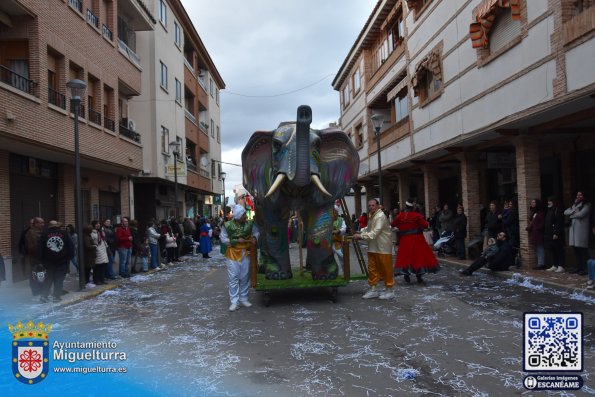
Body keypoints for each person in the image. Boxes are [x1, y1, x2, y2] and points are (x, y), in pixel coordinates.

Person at [352, 199, 395, 299]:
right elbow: (369, 229)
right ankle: (373, 289)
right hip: (373, 246)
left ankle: (389, 290)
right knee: (372, 268)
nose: (371, 207)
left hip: (382, 247)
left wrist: (361, 236)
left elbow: (375, 233)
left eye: (373, 205)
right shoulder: (372, 215)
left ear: (377, 206)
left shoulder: (380, 216)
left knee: (385, 268)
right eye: (369, 205)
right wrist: (361, 232)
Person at [220, 204, 259, 311]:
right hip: (232, 254)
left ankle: (244, 298)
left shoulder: (250, 224)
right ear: (238, 216)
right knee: (233, 278)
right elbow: (223, 238)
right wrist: (235, 241)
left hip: (245, 253)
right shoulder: (227, 225)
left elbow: (256, 232)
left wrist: (255, 238)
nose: (245, 216)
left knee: (245, 277)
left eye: (245, 214)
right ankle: (234, 301)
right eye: (243, 215)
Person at [393, 199, 440, 284]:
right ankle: (419, 277)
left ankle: (406, 274)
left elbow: (392, 224)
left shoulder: (400, 215)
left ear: (406, 206)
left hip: (404, 239)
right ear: (413, 207)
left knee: (405, 257)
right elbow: (425, 225)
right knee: (418, 257)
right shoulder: (417, 215)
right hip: (417, 239)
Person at [38, 220, 74, 302]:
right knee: (59, 279)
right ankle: (56, 296)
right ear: (57, 225)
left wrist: (41, 260)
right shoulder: (64, 233)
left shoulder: (44, 233)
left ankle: (44, 296)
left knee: (48, 279)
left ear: (49, 226)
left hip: (48, 261)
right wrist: (68, 257)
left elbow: (40, 248)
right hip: (61, 261)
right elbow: (71, 246)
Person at [564, 191, 591, 275]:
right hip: (573, 230)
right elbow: (565, 212)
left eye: (580, 195)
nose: (578, 196)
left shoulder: (587, 205)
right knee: (576, 250)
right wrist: (573, 211)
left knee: (583, 250)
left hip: (581, 230)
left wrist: (571, 214)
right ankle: (579, 267)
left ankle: (586, 268)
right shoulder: (574, 205)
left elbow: (581, 214)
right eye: (577, 195)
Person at [544, 196, 566, 273]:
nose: (548, 202)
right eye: (548, 201)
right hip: (550, 233)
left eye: (550, 201)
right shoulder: (549, 209)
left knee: (559, 249)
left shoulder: (557, 209)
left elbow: (559, 222)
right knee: (553, 250)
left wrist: (556, 233)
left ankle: (561, 266)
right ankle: (555, 265)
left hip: (556, 234)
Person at [24, 217, 44, 296]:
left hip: (41, 258)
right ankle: (36, 292)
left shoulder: (41, 232)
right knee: (34, 275)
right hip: (35, 259)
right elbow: (32, 247)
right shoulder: (31, 233)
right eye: (41, 223)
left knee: (41, 275)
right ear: (36, 224)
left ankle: (41, 290)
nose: (43, 224)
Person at [526, 199, 546, 270]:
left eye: (534, 202)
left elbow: (542, 223)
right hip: (534, 233)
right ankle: (539, 263)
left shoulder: (540, 213)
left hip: (538, 233)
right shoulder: (533, 212)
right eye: (532, 202)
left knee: (540, 248)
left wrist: (537, 228)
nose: (532, 203)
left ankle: (541, 264)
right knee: (537, 248)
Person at [91, 220, 108, 284]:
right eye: (96, 224)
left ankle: (102, 279)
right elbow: (92, 241)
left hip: (103, 249)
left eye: (99, 224)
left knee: (103, 265)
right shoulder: (92, 233)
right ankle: (96, 280)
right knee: (97, 266)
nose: (98, 225)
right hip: (97, 249)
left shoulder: (101, 231)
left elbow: (104, 239)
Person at [331, 206, 347, 273]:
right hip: (328, 243)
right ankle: (332, 273)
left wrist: (339, 231)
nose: (332, 213)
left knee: (342, 258)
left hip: (338, 243)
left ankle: (345, 273)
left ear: (337, 212)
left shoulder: (341, 219)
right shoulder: (327, 219)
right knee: (329, 259)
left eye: (334, 211)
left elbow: (344, 228)